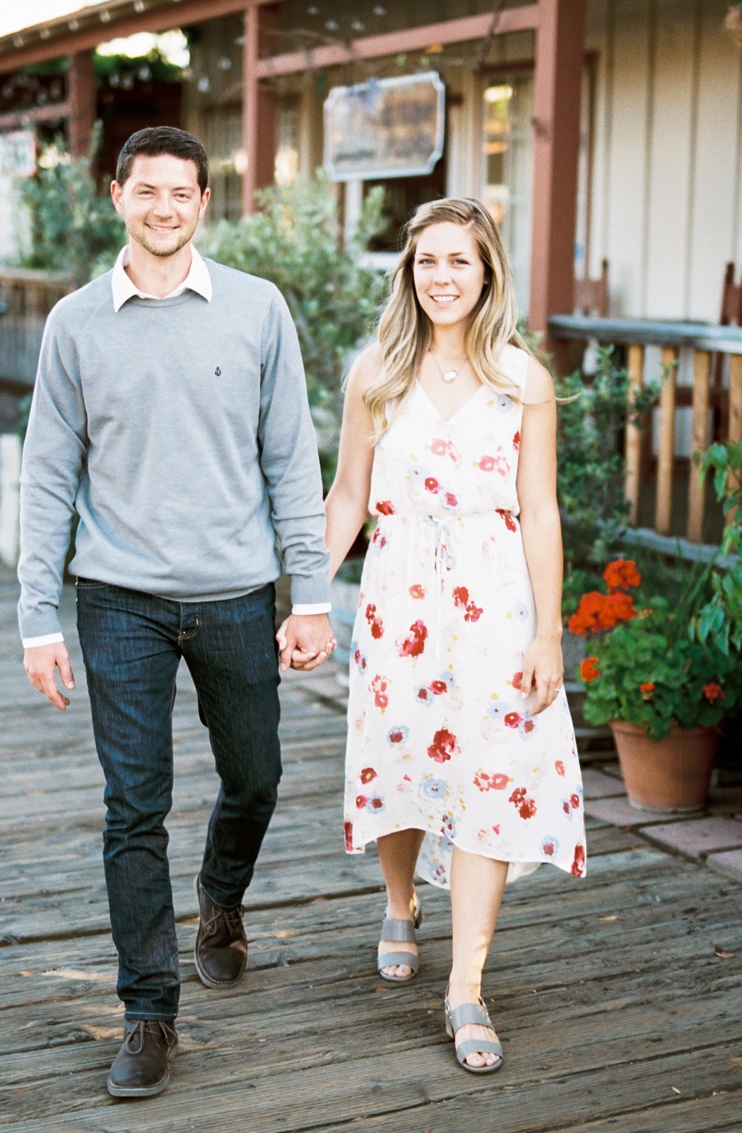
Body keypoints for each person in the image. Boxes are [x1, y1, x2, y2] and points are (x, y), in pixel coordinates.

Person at [18, 126, 335, 1099]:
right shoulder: (75, 323)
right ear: (117, 196)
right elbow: (46, 475)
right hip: (118, 598)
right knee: (133, 805)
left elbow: (290, 456)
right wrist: (38, 614)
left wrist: (310, 592)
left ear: (204, 202)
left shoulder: (255, 308)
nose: (164, 207)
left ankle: (221, 898)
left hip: (237, 592)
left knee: (258, 775)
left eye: (181, 193)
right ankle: (148, 1009)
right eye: (145, 190)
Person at [281, 198, 586, 1074]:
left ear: (487, 273)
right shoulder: (377, 369)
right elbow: (346, 495)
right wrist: (307, 596)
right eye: (426, 263)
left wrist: (549, 633)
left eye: (459, 261)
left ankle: (467, 984)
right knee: (402, 755)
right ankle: (401, 897)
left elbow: (541, 512)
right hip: (398, 598)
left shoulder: (522, 379)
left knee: (491, 772)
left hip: (495, 606)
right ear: (408, 275)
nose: (442, 278)